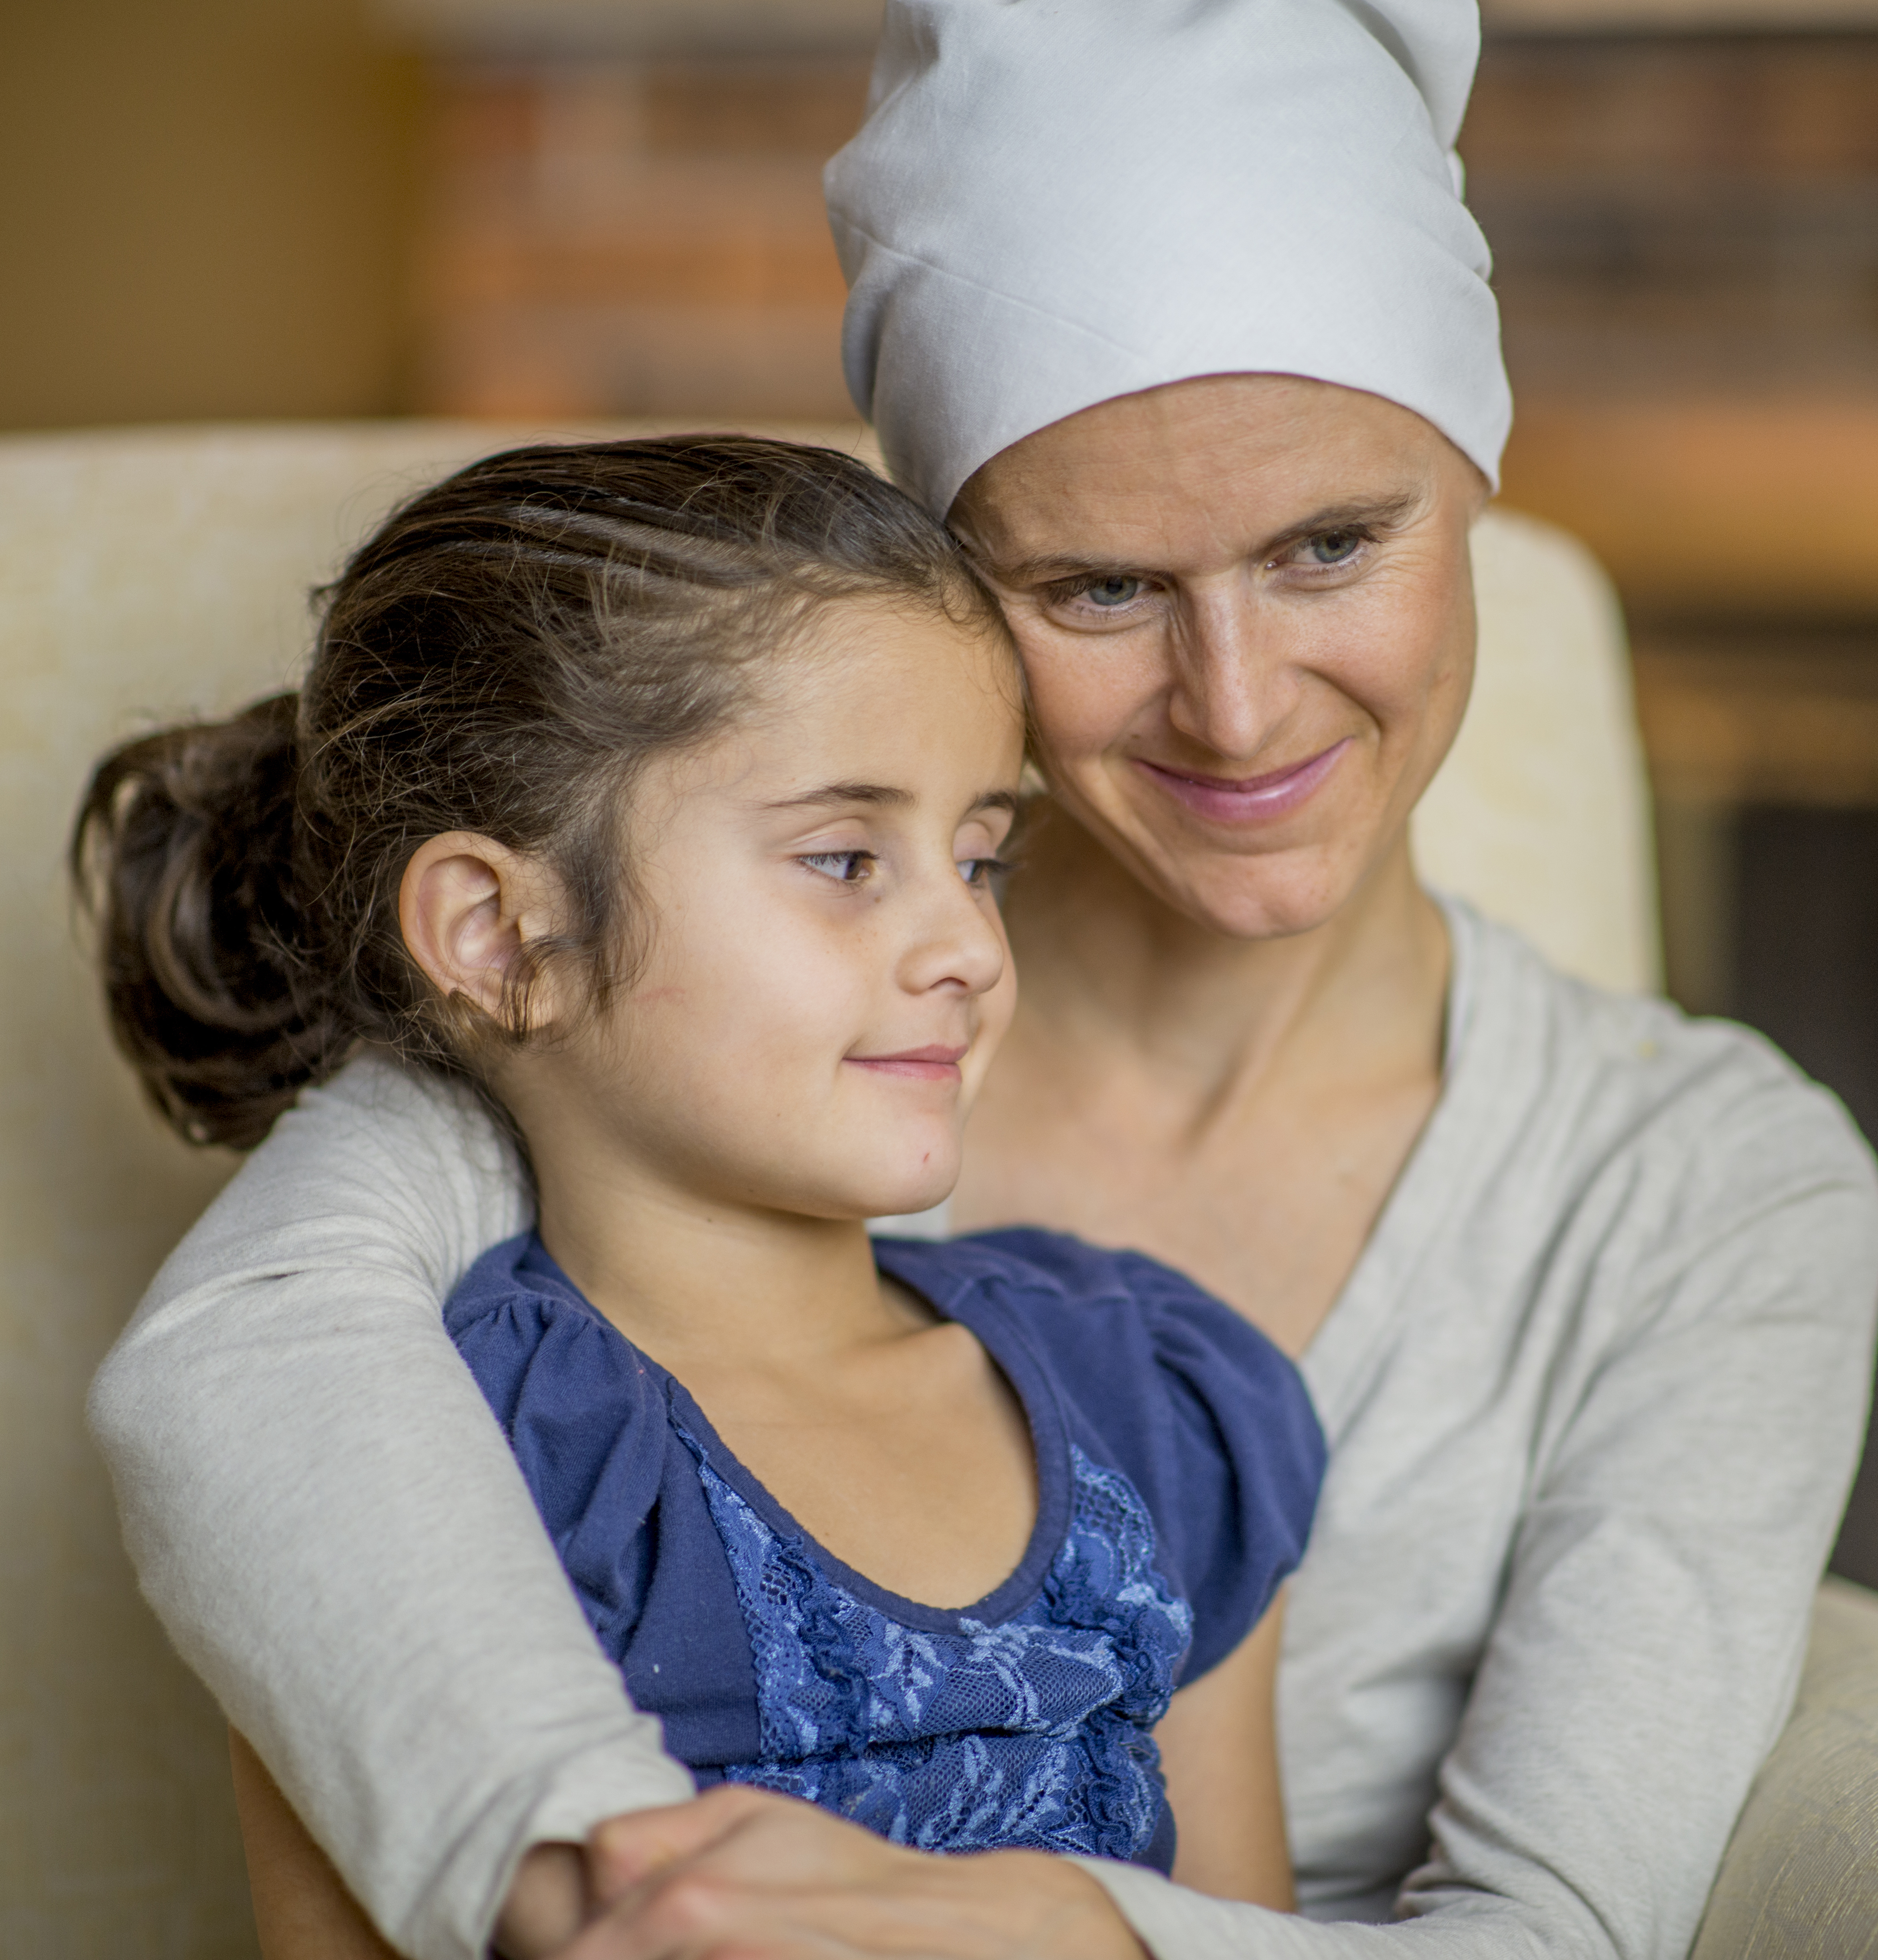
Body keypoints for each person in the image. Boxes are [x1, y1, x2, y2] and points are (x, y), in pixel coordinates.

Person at [87, 4, 1878, 1958]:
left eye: (1330, 544)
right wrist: (614, 1889)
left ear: (1475, 496)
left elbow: (1561, 1939)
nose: (1237, 701)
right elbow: (236, 1366)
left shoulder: (1707, 1185)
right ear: (945, 597)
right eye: (1099, 587)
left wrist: (1015, 1924)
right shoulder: (667, 1036)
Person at [76, 436, 1323, 1952]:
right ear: (498, 934)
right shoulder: (427, 1469)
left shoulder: (1150, 1391)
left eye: (980, 859)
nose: (969, 950)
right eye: (846, 858)